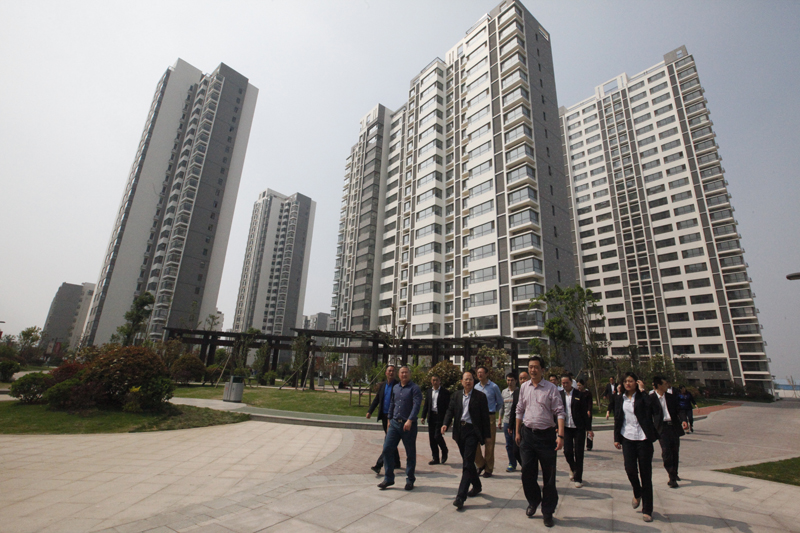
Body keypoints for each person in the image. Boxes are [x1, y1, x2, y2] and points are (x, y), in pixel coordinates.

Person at [515, 356, 565, 528]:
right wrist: (517, 431)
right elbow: (519, 409)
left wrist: (560, 436)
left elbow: (560, 412)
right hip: (528, 435)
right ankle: (534, 500)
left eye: (536, 367)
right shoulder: (524, 387)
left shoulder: (551, 388)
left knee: (549, 477)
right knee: (527, 473)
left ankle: (548, 511)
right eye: (530, 367)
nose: (532, 370)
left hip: (546, 436)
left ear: (542, 370)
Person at [613, 372, 659, 523]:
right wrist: (616, 438)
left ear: (637, 383)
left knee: (646, 475)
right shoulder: (620, 398)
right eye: (626, 381)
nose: (628, 383)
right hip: (627, 438)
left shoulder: (643, 397)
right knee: (630, 469)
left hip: (643, 439)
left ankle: (647, 510)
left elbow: (653, 408)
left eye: (631, 381)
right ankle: (637, 492)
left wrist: (643, 391)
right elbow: (618, 418)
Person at [441, 371, 491, 510]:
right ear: (461, 382)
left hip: (472, 431)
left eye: (470, 379)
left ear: (473, 382)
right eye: (466, 379)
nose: (468, 381)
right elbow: (450, 411)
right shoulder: (456, 395)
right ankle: (477, 485)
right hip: (459, 431)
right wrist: (445, 423)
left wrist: (487, 436)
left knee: (467, 463)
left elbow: (485, 417)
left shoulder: (480, 397)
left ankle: (460, 497)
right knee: (467, 461)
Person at [378, 366, 423, 491]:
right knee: (387, 449)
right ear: (399, 375)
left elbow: (416, 405)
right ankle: (388, 478)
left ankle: (410, 479)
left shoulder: (414, 388)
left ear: (410, 374)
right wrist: (389, 419)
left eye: (406, 372)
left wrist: (410, 420)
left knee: (410, 453)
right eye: (402, 372)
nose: (404, 375)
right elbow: (392, 403)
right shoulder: (396, 388)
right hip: (394, 424)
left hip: (408, 426)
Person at [652, 375, 689, 488]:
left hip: (673, 427)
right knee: (666, 452)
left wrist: (684, 420)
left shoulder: (671, 397)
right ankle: (671, 476)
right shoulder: (651, 398)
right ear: (659, 385)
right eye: (664, 384)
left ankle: (674, 473)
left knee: (674, 451)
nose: (667, 385)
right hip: (662, 428)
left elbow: (679, 410)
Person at [366, 365, 400, 474]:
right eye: (389, 371)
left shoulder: (398, 386)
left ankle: (378, 465)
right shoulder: (383, 385)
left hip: (393, 417)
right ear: (386, 373)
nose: (391, 373)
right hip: (384, 416)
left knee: (388, 441)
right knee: (391, 440)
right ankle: (397, 462)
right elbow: (377, 399)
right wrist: (370, 411)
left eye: (393, 371)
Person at [560, 374, 592, 488]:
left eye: (567, 383)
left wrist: (589, 428)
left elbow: (584, 413)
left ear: (571, 383)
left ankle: (578, 478)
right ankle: (573, 468)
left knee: (579, 453)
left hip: (578, 427)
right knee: (567, 451)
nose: (565, 385)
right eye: (563, 383)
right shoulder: (560, 395)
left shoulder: (579, 394)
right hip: (566, 428)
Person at [474, 366, 503, 478]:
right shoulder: (476, 387)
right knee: (475, 442)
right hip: (478, 417)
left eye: (481, 372)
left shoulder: (494, 387)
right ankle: (480, 464)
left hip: (489, 416)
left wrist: (493, 411)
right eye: (478, 373)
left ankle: (488, 469)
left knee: (489, 444)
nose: (479, 374)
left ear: (486, 374)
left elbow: (500, 402)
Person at [421, 374, 450, 465]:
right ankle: (435, 458)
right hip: (431, 417)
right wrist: (423, 416)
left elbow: (448, 407)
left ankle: (444, 450)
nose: (435, 382)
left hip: (440, 417)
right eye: (433, 380)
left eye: (437, 380)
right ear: (431, 381)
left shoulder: (445, 392)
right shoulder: (429, 391)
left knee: (437, 436)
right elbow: (426, 405)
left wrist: (448, 420)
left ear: (439, 381)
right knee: (432, 439)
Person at [508, 370, 530, 467]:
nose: (523, 380)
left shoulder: (532, 391)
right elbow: (514, 409)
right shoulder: (517, 392)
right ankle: (525, 466)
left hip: (529, 425)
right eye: (521, 379)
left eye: (525, 378)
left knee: (528, 449)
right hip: (519, 425)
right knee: (516, 450)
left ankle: (528, 468)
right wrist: (510, 425)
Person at [498, 373, 518, 472]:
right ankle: (512, 463)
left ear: (516, 381)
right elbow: (501, 407)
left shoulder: (519, 392)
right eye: (508, 380)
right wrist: (500, 419)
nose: (510, 382)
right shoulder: (504, 392)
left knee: (517, 443)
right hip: (506, 421)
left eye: (512, 380)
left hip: (517, 421)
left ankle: (523, 462)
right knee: (509, 444)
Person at [577, 379, 595, 451]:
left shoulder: (587, 393)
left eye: (580, 385)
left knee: (588, 429)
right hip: (579, 414)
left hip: (587, 413)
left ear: (583, 385)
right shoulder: (576, 393)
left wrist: (589, 410)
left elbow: (590, 403)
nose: (579, 387)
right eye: (578, 385)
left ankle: (589, 445)